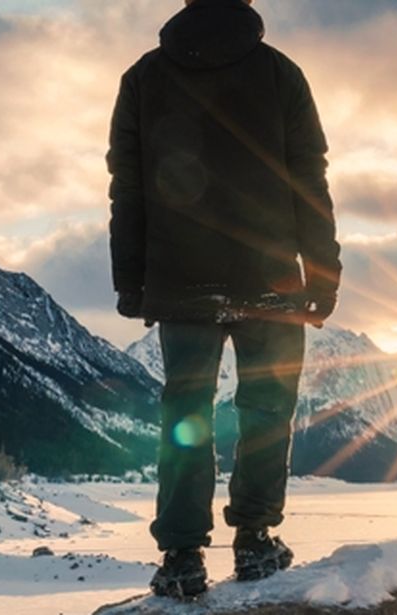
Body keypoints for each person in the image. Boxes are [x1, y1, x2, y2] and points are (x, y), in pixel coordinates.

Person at [106, 0, 341, 600]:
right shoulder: (279, 73)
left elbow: (127, 187)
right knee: (265, 411)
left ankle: (182, 555)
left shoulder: (144, 78)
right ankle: (256, 541)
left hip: (181, 280)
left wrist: (131, 279)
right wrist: (322, 272)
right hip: (270, 280)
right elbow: (308, 176)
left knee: (186, 414)